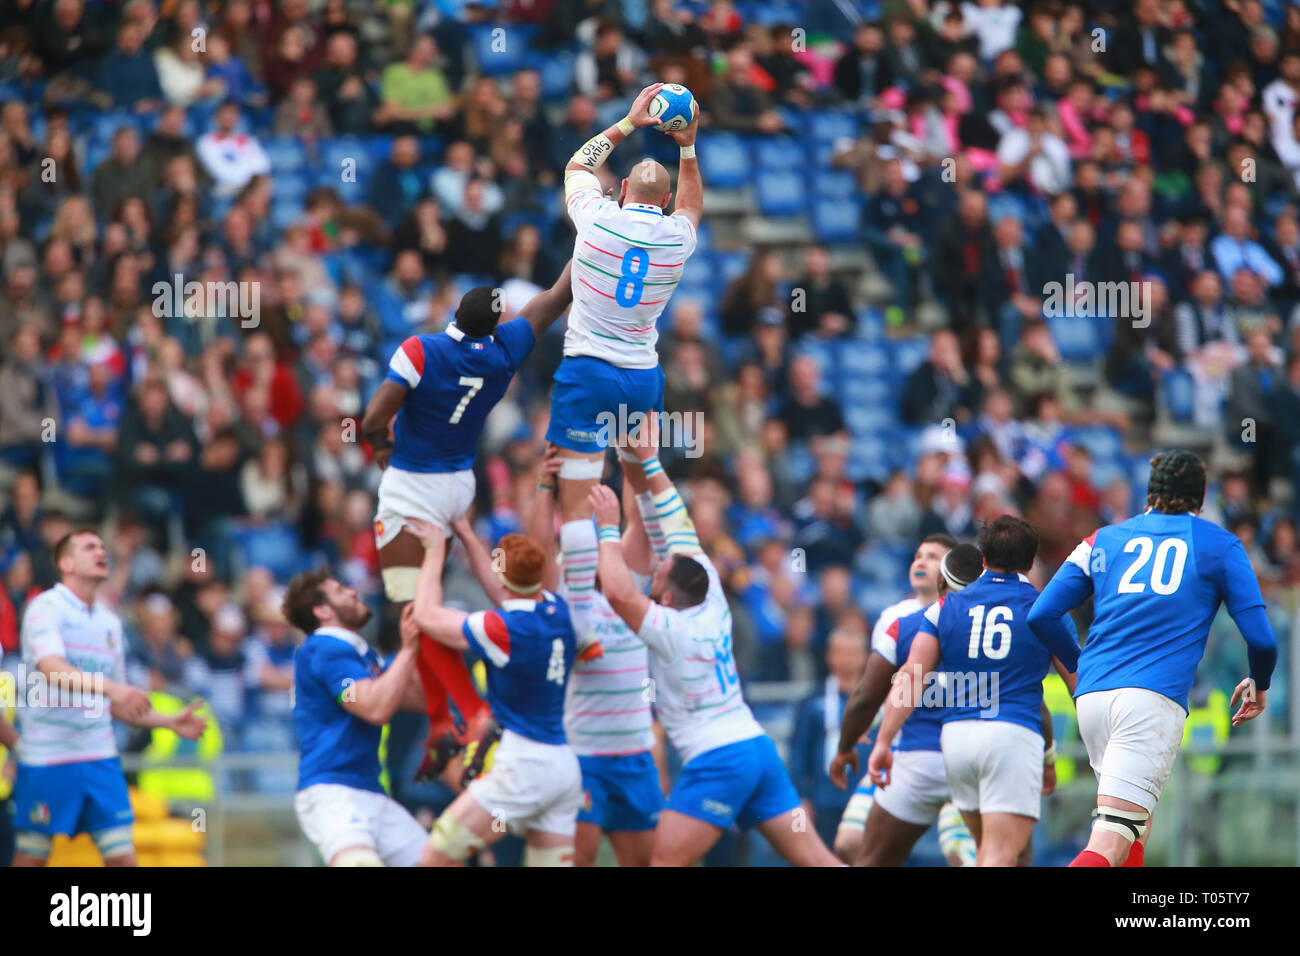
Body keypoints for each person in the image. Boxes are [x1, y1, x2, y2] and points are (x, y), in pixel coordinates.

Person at [588, 421, 841, 866]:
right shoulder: (711, 593)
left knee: (662, 864)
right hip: (757, 750)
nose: (658, 563)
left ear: (665, 597)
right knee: (818, 862)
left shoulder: (669, 629)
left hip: (719, 761)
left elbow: (617, 592)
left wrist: (608, 529)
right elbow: (675, 521)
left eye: (660, 570)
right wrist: (646, 462)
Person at [360, 263, 574, 784]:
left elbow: (369, 421)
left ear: (455, 312)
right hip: (460, 484)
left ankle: (468, 710)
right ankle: (438, 722)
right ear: (496, 322)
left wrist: (384, 450)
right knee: (416, 612)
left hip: (412, 486)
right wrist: (592, 237)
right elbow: (555, 295)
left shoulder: (420, 350)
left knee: (416, 613)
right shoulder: (506, 351)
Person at [1029, 450, 1278, 867]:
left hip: (1093, 699)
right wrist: (1260, 682)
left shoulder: (1101, 538)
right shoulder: (1219, 544)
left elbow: (1043, 613)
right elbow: (1263, 641)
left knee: (1132, 831)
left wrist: (1081, 665)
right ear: (1200, 500)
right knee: (1110, 841)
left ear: (1150, 493)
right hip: (1149, 700)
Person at [547, 83, 703, 662]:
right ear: (660, 204)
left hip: (588, 368)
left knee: (578, 498)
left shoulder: (594, 220)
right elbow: (691, 206)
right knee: (644, 478)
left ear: (619, 192)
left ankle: (585, 621)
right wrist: (687, 148)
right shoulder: (675, 239)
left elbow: (574, 165)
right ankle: (667, 576)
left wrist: (627, 124)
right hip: (642, 375)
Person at [868, 515, 1078, 866]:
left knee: (992, 853)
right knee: (999, 855)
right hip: (1011, 737)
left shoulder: (945, 606)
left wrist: (883, 740)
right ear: (1029, 563)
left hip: (957, 740)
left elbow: (911, 674)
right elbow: (1078, 685)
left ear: (982, 558)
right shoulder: (1045, 610)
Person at [12, 529, 207, 867]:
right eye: (89, 547)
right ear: (66, 562)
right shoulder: (45, 608)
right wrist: (111, 688)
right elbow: (52, 669)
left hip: (100, 757)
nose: (100, 551)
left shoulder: (110, 623)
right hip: (47, 757)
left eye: (102, 546)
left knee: (123, 860)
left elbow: (119, 703)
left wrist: (168, 722)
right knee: (31, 859)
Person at [404, 518, 582, 867]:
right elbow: (505, 589)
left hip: (522, 768)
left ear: (504, 578)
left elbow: (426, 615)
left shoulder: (502, 628)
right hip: (562, 770)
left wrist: (435, 550)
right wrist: (468, 534)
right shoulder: (556, 609)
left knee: (435, 855)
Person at [526, 448, 663, 866]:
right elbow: (536, 552)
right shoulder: (567, 597)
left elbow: (642, 520)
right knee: (577, 862)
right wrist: (544, 487)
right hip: (582, 756)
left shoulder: (633, 584)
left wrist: (632, 458)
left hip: (636, 755)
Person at [830, 542, 987, 866]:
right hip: (908, 753)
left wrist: (860, 733)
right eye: (917, 555)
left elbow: (873, 692)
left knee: (965, 854)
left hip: (929, 755)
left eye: (932, 556)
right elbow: (884, 688)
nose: (921, 561)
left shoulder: (912, 624)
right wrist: (875, 728)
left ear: (949, 572)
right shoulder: (894, 616)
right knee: (849, 843)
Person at [284, 567, 429, 867]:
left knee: (439, 861)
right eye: (340, 590)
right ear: (322, 610)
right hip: (333, 793)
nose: (353, 592)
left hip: (370, 791)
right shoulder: (324, 648)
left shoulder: (361, 655)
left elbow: (418, 700)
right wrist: (408, 649)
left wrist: (421, 642)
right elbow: (374, 708)